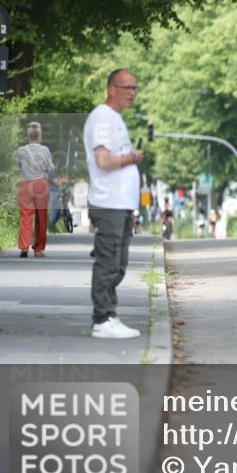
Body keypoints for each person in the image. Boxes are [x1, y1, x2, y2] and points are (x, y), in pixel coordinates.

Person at [83, 68, 143, 339]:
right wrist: (131, 158)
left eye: (134, 88)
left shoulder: (115, 119)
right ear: (111, 89)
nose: (132, 93)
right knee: (109, 263)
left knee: (118, 263)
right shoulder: (103, 118)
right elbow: (104, 161)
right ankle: (102, 319)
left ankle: (109, 315)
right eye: (126, 87)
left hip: (120, 204)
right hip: (109, 203)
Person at [15, 122, 55, 257]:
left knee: (26, 216)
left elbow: (19, 165)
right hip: (41, 185)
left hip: (25, 184)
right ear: (40, 135)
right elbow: (50, 168)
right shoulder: (45, 150)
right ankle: (38, 249)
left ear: (28, 135)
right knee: (41, 216)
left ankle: (24, 247)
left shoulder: (21, 150)